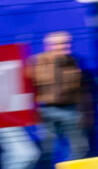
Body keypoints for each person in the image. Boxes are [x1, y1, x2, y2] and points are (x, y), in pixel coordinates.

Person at [28, 31, 89, 161]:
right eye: (59, 44)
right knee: (49, 149)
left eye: (67, 43)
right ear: (48, 46)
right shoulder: (36, 62)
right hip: (45, 111)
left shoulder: (76, 61)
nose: (64, 46)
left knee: (80, 147)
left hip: (71, 109)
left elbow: (84, 89)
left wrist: (85, 113)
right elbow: (28, 88)